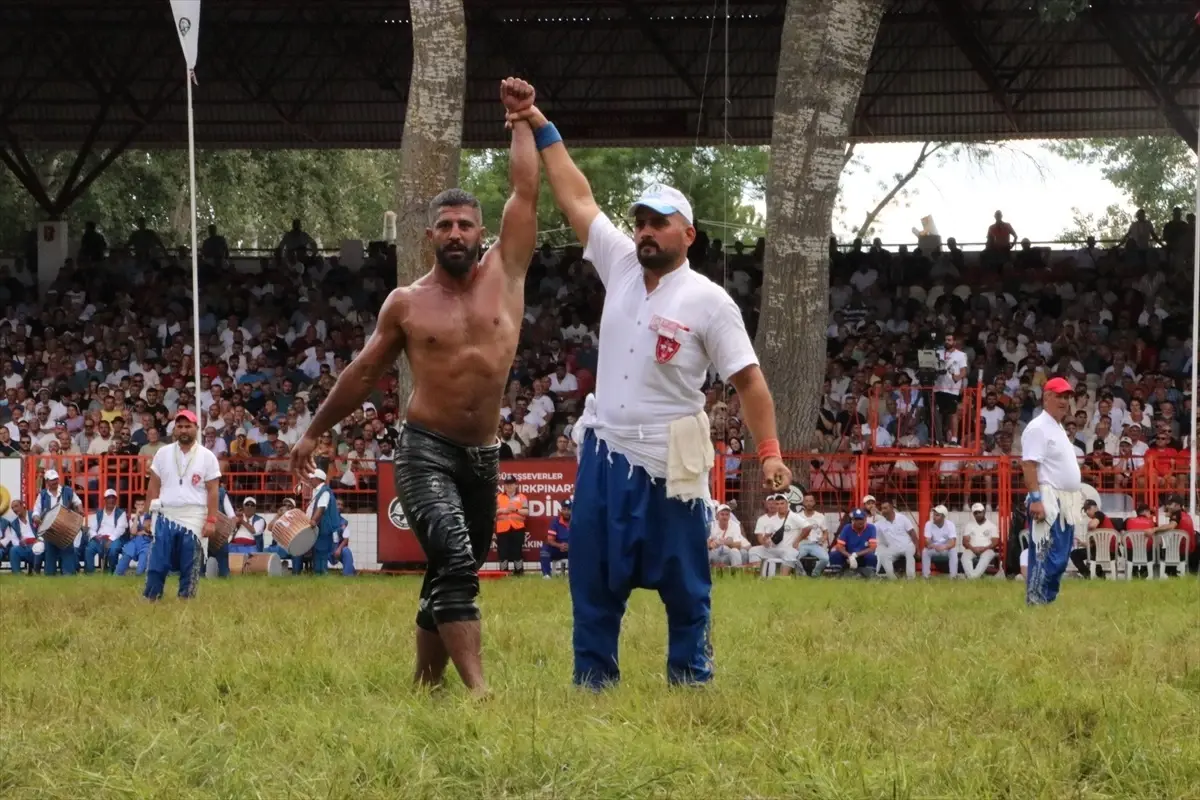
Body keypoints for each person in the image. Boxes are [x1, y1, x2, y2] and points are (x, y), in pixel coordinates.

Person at [506, 92, 791, 689]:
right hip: (606, 452)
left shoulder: (710, 301)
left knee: (685, 578)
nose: (644, 231)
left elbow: (750, 383)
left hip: (672, 460)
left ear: (688, 233)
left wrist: (770, 454)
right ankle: (593, 681)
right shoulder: (619, 264)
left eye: (658, 222)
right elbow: (577, 196)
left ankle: (690, 677)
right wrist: (539, 123)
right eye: (639, 221)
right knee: (592, 573)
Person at [289, 78, 541, 696]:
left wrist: (524, 120)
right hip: (424, 449)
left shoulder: (506, 274)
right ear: (429, 235)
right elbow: (364, 372)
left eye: (465, 225)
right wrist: (314, 431)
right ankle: (481, 693)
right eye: (445, 225)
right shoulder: (407, 303)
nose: (456, 233)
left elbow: (526, 191)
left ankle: (425, 687)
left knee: (451, 566)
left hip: (483, 455)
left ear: (481, 233)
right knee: (457, 558)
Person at [144, 410, 221, 601]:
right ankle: (152, 597)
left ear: (196, 428)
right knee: (158, 561)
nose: (184, 430)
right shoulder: (162, 453)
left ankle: (186, 599)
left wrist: (211, 520)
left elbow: (213, 491)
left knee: (190, 561)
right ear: (174, 429)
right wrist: (147, 516)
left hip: (194, 514)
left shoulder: (207, 456)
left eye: (188, 426)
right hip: (165, 513)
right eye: (180, 426)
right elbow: (153, 486)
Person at [1021, 377, 1084, 605]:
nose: (1064, 401)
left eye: (1067, 397)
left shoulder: (1056, 426)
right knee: (1044, 554)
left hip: (1064, 501)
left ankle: (1047, 601)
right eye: (1059, 396)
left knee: (1059, 557)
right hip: (1047, 498)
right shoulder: (1038, 427)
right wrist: (1036, 499)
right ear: (1046, 396)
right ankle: (1036, 601)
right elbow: (1029, 465)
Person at [291, 469, 344, 575]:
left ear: (318, 479)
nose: (310, 481)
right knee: (317, 552)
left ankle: (321, 574)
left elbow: (321, 508)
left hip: (323, 528)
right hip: (319, 528)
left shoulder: (324, 492)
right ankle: (318, 574)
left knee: (321, 552)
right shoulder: (319, 491)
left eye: (312, 478)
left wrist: (313, 521)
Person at [32, 469, 83, 575]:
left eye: (56, 479)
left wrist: (80, 509)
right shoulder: (43, 495)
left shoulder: (67, 490)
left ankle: (68, 574)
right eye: (52, 480)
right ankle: (50, 575)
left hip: (66, 527)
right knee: (50, 553)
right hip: (50, 529)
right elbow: (36, 509)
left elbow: (78, 502)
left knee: (67, 551)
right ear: (47, 482)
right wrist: (36, 517)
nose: (55, 481)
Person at [83, 489, 129, 573]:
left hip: (114, 538)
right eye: (108, 498)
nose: (111, 500)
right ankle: (89, 573)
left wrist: (110, 539)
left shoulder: (121, 513)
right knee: (89, 549)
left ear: (116, 500)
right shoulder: (98, 513)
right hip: (99, 538)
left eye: (113, 498)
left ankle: (113, 572)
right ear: (104, 500)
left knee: (113, 549)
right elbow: (92, 528)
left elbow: (120, 529)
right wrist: (96, 537)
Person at [495, 474, 529, 574]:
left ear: (516, 485)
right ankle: (503, 572)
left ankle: (519, 572)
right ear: (504, 486)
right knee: (502, 551)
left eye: (511, 484)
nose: (509, 486)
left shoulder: (522, 497)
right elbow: (493, 512)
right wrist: (504, 510)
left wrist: (516, 510)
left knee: (517, 550)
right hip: (502, 528)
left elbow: (526, 512)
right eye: (507, 484)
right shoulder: (498, 497)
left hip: (517, 528)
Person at [830, 508, 878, 578]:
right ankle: (836, 576)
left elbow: (872, 548)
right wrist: (849, 556)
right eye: (857, 519)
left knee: (872, 557)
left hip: (863, 556)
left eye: (861, 519)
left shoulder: (871, 528)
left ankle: (870, 576)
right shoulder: (847, 527)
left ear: (865, 519)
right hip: (848, 556)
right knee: (834, 554)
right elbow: (839, 546)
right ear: (853, 520)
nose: (859, 521)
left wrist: (855, 555)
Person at [115, 499, 153, 577]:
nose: (140, 507)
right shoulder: (133, 517)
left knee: (143, 557)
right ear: (135, 506)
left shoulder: (150, 516)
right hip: (135, 541)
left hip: (146, 542)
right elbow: (133, 532)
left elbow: (150, 531)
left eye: (142, 505)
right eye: (138, 505)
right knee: (127, 553)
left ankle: (139, 575)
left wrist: (141, 532)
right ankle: (118, 575)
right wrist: (136, 516)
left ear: (145, 505)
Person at [707, 503, 749, 569]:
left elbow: (738, 545)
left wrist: (728, 543)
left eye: (727, 515)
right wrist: (712, 544)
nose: (725, 517)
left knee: (736, 551)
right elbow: (706, 543)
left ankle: (736, 573)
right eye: (722, 514)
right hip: (715, 554)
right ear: (717, 516)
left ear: (729, 516)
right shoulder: (712, 525)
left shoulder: (735, 525)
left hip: (728, 554)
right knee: (706, 553)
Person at [5, 499, 42, 574]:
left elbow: (43, 530)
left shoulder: (34, 516)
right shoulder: (14, 523)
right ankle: (17, 573)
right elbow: (14, 540)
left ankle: (36, 571)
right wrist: (20, 543)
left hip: (37, 544)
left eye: (16, 506)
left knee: (39, 546)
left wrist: (39, 540)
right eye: (13, 508)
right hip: (24, 547)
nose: (15, 509)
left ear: (23, 505)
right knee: (13, 550)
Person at [541, 498, 572, 577]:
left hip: (573, 550)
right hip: (559, 549)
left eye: (569, 509)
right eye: (564, 509)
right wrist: (560, 545)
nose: (566, 512)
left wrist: (571, 546)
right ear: (561, 510)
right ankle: (546, 575)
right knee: (545, 549)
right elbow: (550, 540)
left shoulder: (577, 521)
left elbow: (582, 539)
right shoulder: (555, 521)